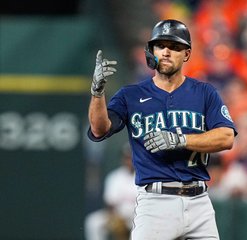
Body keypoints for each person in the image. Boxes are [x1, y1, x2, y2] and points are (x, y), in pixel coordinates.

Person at [88, 19, 237, 240]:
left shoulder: (204, 93)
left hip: (199, 201)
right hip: (155, 202)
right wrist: (98, 93)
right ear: (152, 51)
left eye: (175, 47)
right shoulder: (130, 95)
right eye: (160, 46)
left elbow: (226, 137)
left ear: (186, 54)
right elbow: (99, 129)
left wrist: (180, 140)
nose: (166, 52)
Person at [85, 144, 137, 240]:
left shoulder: (144, 176)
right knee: (93, 222)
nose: (129, 161)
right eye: (127, 157)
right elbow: (110, 203)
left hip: (138, 214)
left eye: (131, 157)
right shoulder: (114, 177)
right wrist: (114, 218)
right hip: (118, 213)